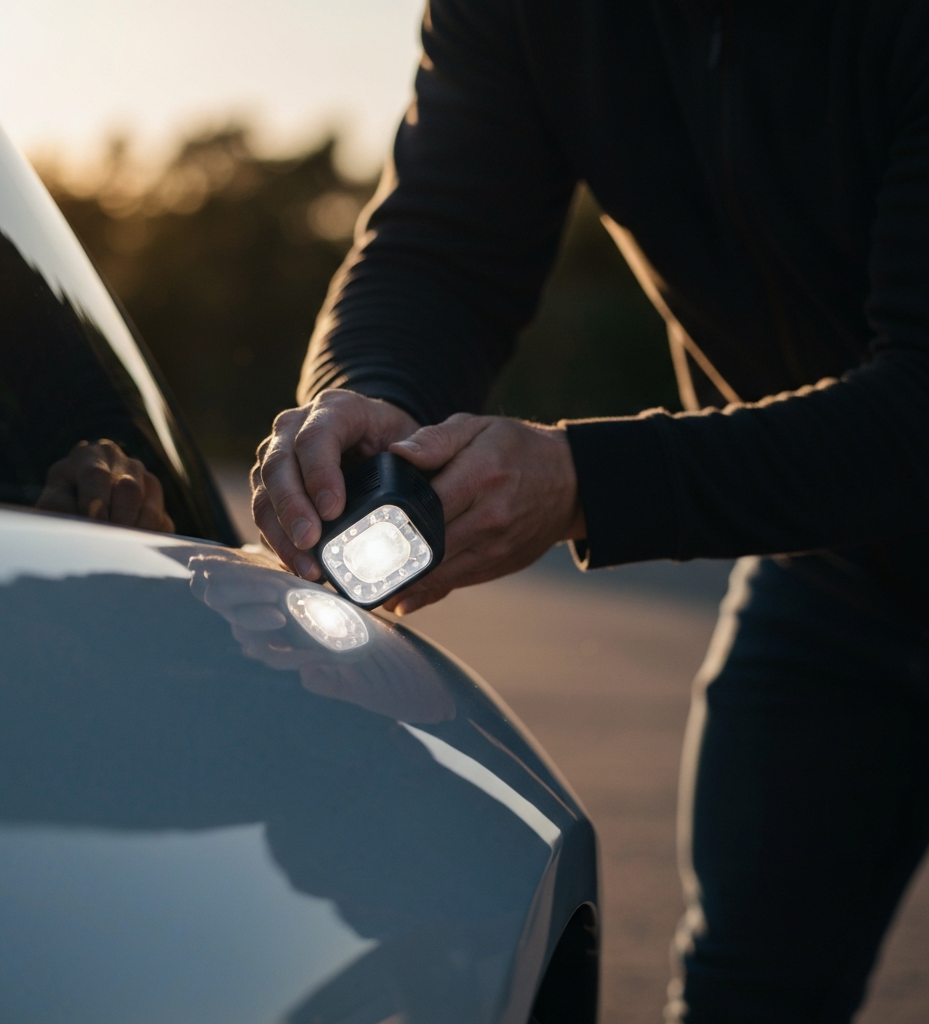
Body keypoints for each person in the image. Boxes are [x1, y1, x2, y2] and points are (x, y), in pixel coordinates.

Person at [251, 1, 929, 1020]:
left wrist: (582, 482)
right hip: (828, 574)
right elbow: (440, 250)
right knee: (745, 997)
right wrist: (367, 394)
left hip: (865, 491)